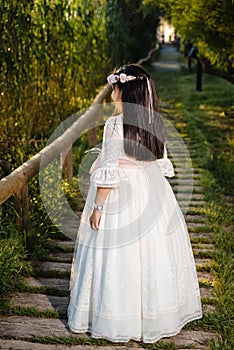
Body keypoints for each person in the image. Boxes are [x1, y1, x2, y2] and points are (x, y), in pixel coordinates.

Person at [67, 64, 202, 343]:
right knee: (153, 254)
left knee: (118, 256)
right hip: (153, 194)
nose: (112, 93)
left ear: (124, 92)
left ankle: (115, 313)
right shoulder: (156, 123)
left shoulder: (115, 124)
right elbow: (159, 163)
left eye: (115, 88)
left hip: (121, 196)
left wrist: (99, 207)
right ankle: (154, 312)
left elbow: (111, 169)